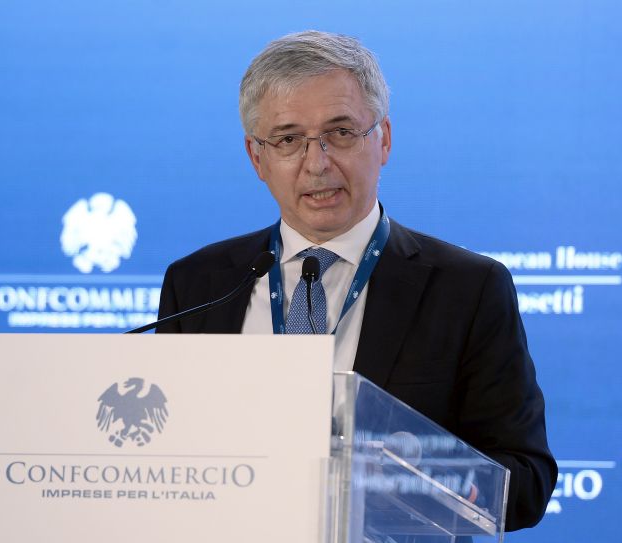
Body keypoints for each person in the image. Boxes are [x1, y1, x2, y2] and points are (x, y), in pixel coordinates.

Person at [157, 30, 556, 531]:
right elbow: (162, 460)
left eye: (342, 132)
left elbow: (527, 482)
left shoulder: (469, 289)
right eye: (288, 140)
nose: (317, 163)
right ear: (257, 157)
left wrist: (423, 475)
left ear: (383, 139)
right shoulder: (197, 285)